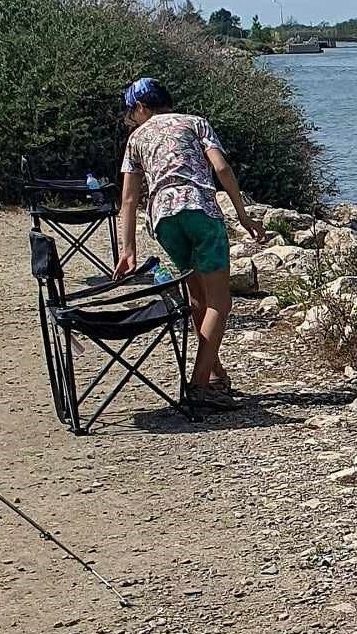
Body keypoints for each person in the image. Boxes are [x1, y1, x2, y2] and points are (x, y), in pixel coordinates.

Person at [114, 77, 266, 402]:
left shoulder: (136, 138)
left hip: (164, 218)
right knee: (220, 303)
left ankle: (213, 372)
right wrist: (243, 214)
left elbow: (127, 200)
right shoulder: (195, 122)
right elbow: (222, 168)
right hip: (200, 210)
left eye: (131, 113)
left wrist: (128, 250)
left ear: (141, 107)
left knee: (198, 298)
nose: (131, 118)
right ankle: (198, 387)